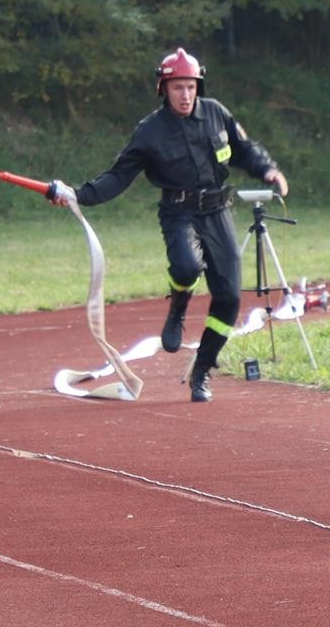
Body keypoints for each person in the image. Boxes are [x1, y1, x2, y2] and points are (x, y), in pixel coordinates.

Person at [49, 48, 288, 402]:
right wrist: (78, 195)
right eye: (177, 87)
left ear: (198, 86)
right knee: (187, 266)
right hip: (179, 213)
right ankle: (178, 305)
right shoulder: (150, 131)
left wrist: (268, 169)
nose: (185, 95)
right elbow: (118, 176)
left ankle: (201, 372)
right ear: (164, 89)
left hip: (218, 212)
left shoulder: (216, 113)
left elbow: (244, 149)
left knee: (229, 299)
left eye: (191, 86)